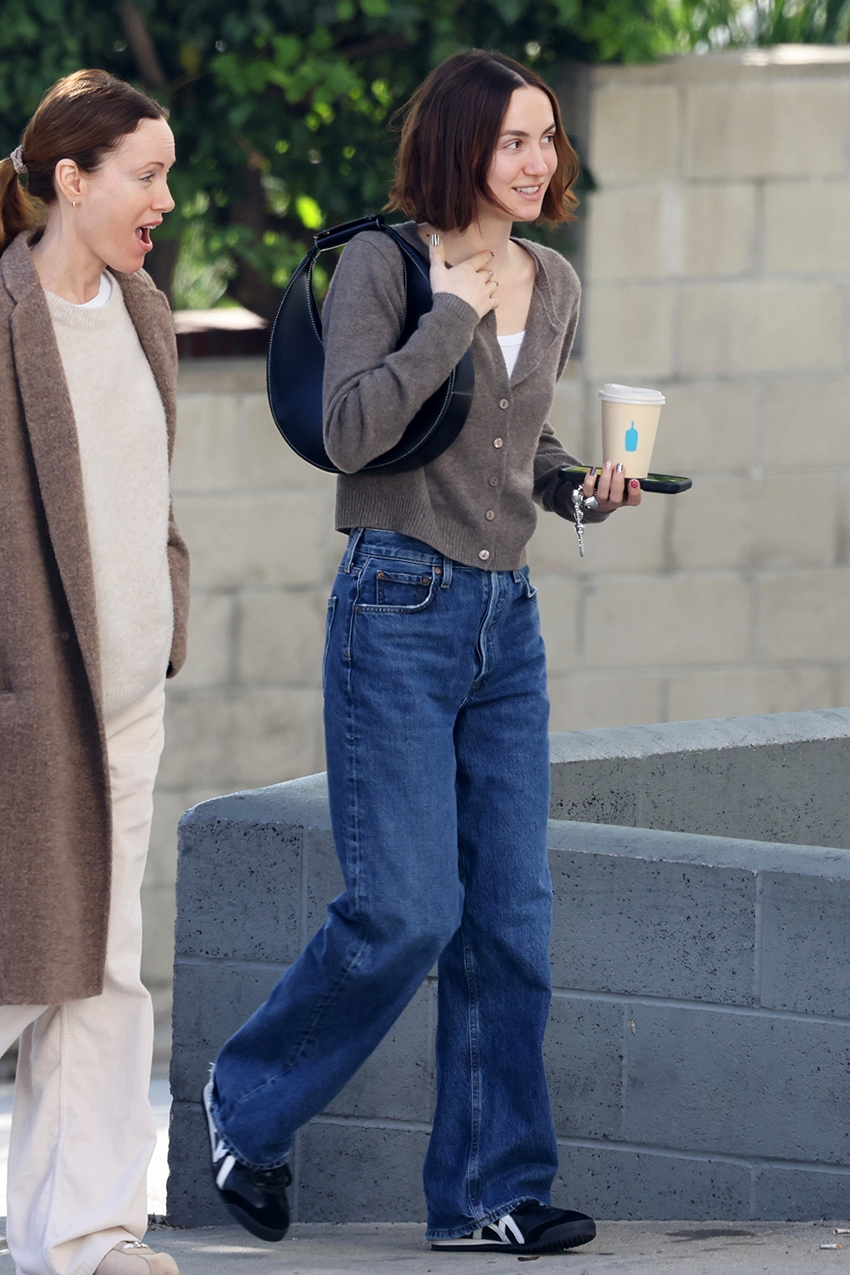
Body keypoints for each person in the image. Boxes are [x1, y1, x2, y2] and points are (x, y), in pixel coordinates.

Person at [203, 48, 640, 1256]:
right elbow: (352, 433)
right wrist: (451, 307)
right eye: (513, 140)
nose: (537, 160)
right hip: (396, 604)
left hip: (510, 623)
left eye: (546, 138)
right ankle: (248, 1106)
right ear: (458, 144)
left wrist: (587, 491)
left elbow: (521, 451)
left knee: (512, 918)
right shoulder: (383, 268)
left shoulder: (551, 280)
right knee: (402, 908)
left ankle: (491, 1192)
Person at [0, 69, 189, 1275]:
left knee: (105, 974)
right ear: (72, 181)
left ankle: (84, 1235)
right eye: (146, 175)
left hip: (127, 699)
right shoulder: (5, 319)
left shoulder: (143, 312)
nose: (165, 198)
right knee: (21, 965)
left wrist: (165, 619)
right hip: (27, 702)